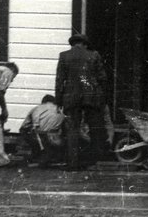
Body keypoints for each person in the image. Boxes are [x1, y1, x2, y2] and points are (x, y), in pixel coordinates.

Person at [55, 33, 108, 170]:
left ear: (72, 44)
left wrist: (58, 100)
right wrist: (102, 97)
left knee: (72, 130)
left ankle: (73, 163)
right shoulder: (94, 55)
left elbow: (60, 80)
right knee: (95, 128)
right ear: (85, 44)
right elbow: (102, 77)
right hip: (91, 96)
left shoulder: (64, 56)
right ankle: (94, 162)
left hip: (71, 97)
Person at [18, 94, 66, 166]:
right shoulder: (59, 109)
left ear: (43, 101)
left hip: (40, 136)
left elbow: (24, 126)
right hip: (56, 137)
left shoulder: (37, 108)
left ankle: (37, 153)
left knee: (24, 131)